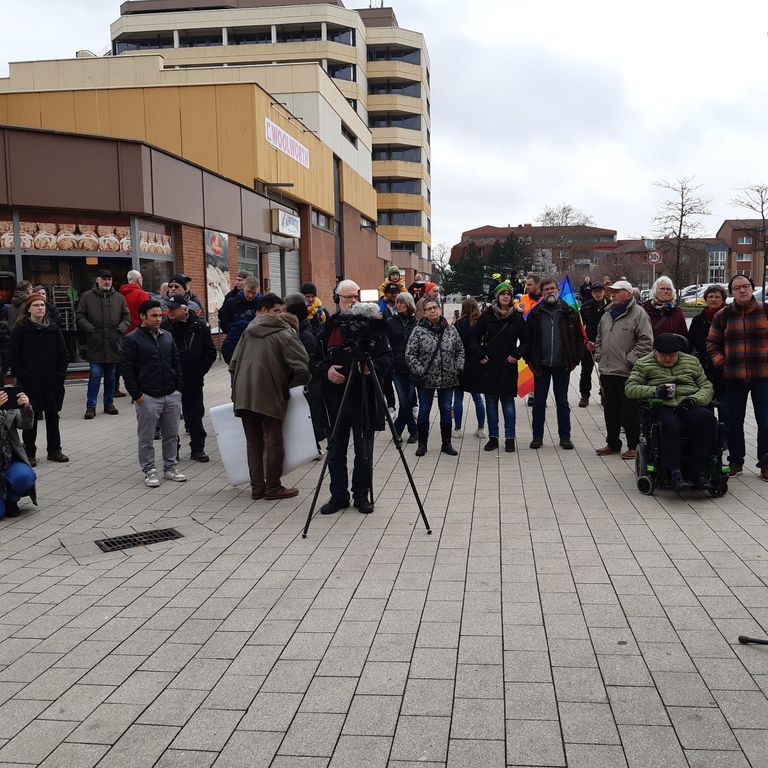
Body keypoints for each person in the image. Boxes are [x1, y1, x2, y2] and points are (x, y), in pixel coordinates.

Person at [318, 280, 392, 515]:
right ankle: (338, 495)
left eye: (355, 296)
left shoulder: (372, 325)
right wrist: (327, 371)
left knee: (364, 450)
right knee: (336, 449)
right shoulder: (329, 326)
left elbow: (389, 359)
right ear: (336, 298)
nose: (352, 301)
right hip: (335, 398)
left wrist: (373, 368)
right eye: (347, 297)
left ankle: (362, 494)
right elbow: (313, 359)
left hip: (363, 396)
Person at [229, 298, 311, 500]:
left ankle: (257, 488)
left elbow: (233, 364)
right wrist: (289, 387)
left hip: (243, 394)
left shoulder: (248, 331)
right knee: (274, 442)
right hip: (269, 394)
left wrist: (237, 389)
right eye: (276, 310)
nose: (277, 313)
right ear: (266, 310)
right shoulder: (285, 333)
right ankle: (273, 487)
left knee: (253, 443)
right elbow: (302, 367)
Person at [625, 333, 717, 491]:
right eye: (663, 355)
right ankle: (674, 472)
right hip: (662, 405)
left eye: (672, 356)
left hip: (688, 403)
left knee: (707, 419)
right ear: (655, 351)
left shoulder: (692, 361)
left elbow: (706, 386)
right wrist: (655, 391)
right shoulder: (644, 363)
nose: (667, 359)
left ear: (678, 353)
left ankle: (700, 472)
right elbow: (630, 388)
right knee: (670, 424)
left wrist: (693, 401)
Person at [707, 275, 768, 478]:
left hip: (763, 376)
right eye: (737, 288)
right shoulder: (723, 315)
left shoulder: (765, 310)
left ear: (752, 288)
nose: (742, 290)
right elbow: (712, 344)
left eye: (746, 286)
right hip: (733, 377)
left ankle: (766, 463)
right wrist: (722, 364)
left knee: (766, 422)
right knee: (733, 421)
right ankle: (735, 462)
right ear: (731, 292)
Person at [120, 300, 186, 488]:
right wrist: (138, 395)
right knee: (147, 437)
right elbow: (127, 369)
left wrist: (178, 389)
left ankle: (171, 467)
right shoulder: (132, 339)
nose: (158, 319)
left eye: (160, 315)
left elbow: (176, 362)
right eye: (154, 316)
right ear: (142, 317)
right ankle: (149, 470)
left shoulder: (167, 336)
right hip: (148, 396)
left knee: (172, 434)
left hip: (171, 394)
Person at [593, 280, 653, 459]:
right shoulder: (607, 313)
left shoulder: (638, 313)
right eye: (611, 291)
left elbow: (646, 342)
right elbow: (599, 337)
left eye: (617, 291)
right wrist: (599, 354)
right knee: (610, 410)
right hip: (606, 370)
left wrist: (629, 360)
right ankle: (612, 443)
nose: (612, 294)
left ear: (628, 294)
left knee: (630, 412)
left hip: (627, 372)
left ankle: (633, 446)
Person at [7, 294, 69, 466]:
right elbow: (13, 356)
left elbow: (63, 354)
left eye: (42, 305)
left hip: (52, 380)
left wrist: (59, 374)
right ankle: (29, 453)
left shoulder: (53, 328)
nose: (40, 308)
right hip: (30, 381)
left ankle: (54, 450)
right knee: (30, 417)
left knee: (52, 414)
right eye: (36, 305)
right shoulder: (21, 329)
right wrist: (24, 375)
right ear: (29, 309)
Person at [524, 277, 585, 450]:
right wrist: (530, 362)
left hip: (562, 365)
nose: (550, 291)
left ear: (557, 290)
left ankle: (565, 437)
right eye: (546, 289)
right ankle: (537, 437)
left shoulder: (569, 312)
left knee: (563, 403)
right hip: (541, 366)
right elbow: (527, 340)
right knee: (539, 403)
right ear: (541, 292)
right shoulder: (535, 314)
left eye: (552, 288)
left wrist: (575, 360)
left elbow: (579, 338)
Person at [471, 281, 528, 452]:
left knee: (508, 404)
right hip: (489, 366)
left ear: (511, 297)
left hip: (507, 366)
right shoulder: (487, 315)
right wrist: (480, 354)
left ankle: (510, 438)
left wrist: (517, 354)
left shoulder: (516, 317)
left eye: (508, 294)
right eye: (502, 293)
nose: (505, 296)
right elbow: (473, 338)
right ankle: (493, 438)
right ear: (497, 296)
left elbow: (527, 340)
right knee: (490, 403)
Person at [406, 296, 464, 457]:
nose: (432, 310)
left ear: (440, 309)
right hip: (426, 379)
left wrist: (457, 367)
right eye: (429, 309)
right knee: (424, 411)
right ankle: (422, 444)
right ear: (424, 312)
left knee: (446, 410)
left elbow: (460, 350)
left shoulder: (451, 329)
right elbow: (410, 354)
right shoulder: (418, 331)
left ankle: (446, 443)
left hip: (448, 378)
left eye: (435, 307)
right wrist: (420, 370)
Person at [161, 295, 217, 462]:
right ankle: (173, 451)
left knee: (195, 414)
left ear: (184, 309)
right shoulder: (164, 327)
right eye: (168, 308)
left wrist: (198, 372)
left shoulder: (200, 326)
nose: (169, 311)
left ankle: (198, 449)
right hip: (170, 381)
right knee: (170, 418)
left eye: (173, 308)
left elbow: (210, 352)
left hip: (193, 380)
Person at [76, 269, 130, 419]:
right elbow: (80, 316)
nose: (107, 281)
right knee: (95, 375)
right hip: (95, 343)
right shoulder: (87, 297)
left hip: (113, 343)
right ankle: (91, 406)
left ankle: (109, 404)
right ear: (98, 280)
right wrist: (91, 330)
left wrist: (120, 330)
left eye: (109, 279)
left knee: (111, 376)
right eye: (104, 278)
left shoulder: (119, 298)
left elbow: (126, 316)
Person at [284, 293, 328, 446]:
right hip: (309, 385)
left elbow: (307, 364)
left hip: (310, 385)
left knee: (311, 416)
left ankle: (313, 445)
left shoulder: (305, 336)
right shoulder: (302, 331)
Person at [688, 284, 729, 429]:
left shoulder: (729, 317)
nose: (713, 299)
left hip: (724, 369)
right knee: (706, 403)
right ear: (706, 299)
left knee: (725, 405)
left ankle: (724, 435)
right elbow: (691, 341)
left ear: (723, 299)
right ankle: (709, 434)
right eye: (710, 296)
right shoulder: (698, 319)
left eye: (717, 297)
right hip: (703, 370)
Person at [386, 291, 418, 444]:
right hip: (397, 367)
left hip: (412, 367)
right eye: (397, 302)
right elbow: (387, 343)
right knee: (404, 400)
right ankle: (412, 430)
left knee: (408, 400)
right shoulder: (391, 322)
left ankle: (398, 429)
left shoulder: (416, 322)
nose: (398, 305)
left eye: (402, 302)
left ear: (409, 305)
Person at [0, 389, 37, 518]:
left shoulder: (5, 396)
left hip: (9, 460)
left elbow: (26, 425)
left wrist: (26, 407)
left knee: (25, 475)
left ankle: (12, 500)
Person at [453, 297, 486, 439]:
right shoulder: (480, 323)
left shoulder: (459, 324)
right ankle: (481, 428)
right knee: (477, 397)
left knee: (458, 397)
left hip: (461, 363)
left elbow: (453, 344)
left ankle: (458, 429)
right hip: (477, 363)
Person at [221, 293, 284, 365]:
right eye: (276, 311)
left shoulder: (275, 325)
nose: (279, 315)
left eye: (280, 311)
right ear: (264, 309)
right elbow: (227, 349)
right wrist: (242, 368)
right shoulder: (243, 325)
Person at [116, 270, 150, 398]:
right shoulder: (141, 294)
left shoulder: (119, 295)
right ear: (138, 280)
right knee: (141, 363)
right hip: (139, 332)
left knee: (125, 362)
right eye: (141, 278)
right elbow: (148, 314)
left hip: (123, 332)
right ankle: (139, 389)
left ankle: (118, 388)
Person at [578, 281, 610, 407]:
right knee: (586, 371)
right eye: (595, 292)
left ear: (604, 292)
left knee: (605, 372)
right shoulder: (586, 307)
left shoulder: (611, 306)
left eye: (600, 291)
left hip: (606, 344)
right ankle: (584, 395)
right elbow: (580, 326)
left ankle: (604, 394)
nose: (598, 294)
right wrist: (583, 341)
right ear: (591, 293)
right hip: (589, 344)